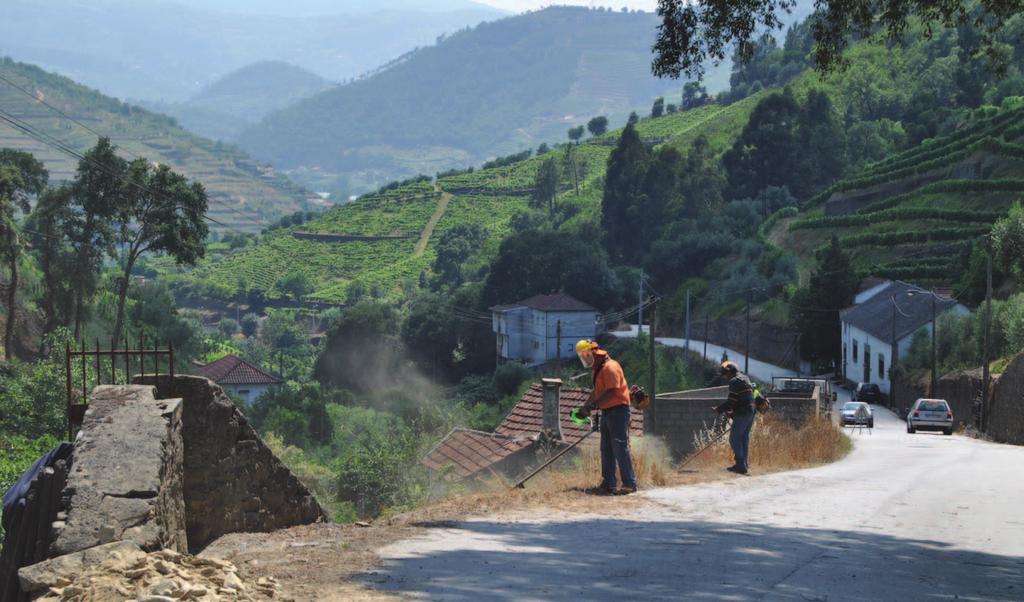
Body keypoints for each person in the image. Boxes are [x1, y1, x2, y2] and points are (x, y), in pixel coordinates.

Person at [576, 339, 638, 495]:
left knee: (619, 448)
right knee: (606, 449)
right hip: (606, 411)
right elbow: (597, 391)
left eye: (585, 354)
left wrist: (593, 405)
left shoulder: (610, 367)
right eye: (581, 355)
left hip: (618, 411)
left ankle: (629, 483)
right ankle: (609, 483)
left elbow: (611, 390)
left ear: (593, 352)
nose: (583, 357)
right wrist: (586, 406)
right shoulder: (598, 368)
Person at [713, 360, 756, 475]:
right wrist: (732, 413)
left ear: (729, 372)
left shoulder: (734, 382)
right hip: (751, 411)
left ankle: (740, 465)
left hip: (743, 412)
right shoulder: (745, 378)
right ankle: (744, 464)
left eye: (725, 374)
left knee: (734, 439)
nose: (725, 377)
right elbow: (742, 398)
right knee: (743, 439)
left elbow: (731, 402)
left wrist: (719, 409)